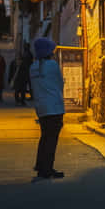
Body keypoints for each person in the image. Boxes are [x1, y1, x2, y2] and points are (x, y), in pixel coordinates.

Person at [30, 37, 64, 178]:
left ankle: (40, 165)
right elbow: (60, 83)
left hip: (41, 107)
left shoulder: (33, 67)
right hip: (54, 106)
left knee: (44, 137)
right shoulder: (52, 65)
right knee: (52, 139)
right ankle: (47, 169)